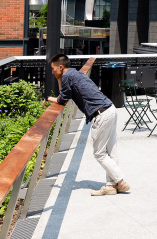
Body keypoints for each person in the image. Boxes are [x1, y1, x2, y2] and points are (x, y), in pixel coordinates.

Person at [47, 54, 129, 196]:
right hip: (110, 108)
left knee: (99, 154)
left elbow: (62, 99)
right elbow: (65, 94)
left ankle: (120, 181)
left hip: (101, 114)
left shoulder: (66, 77)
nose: (52, 72)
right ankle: (110, 186)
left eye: (53, 69)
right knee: (111, 150)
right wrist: (59, 78)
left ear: (60, 67)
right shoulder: (75, 73)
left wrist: (47, 98)